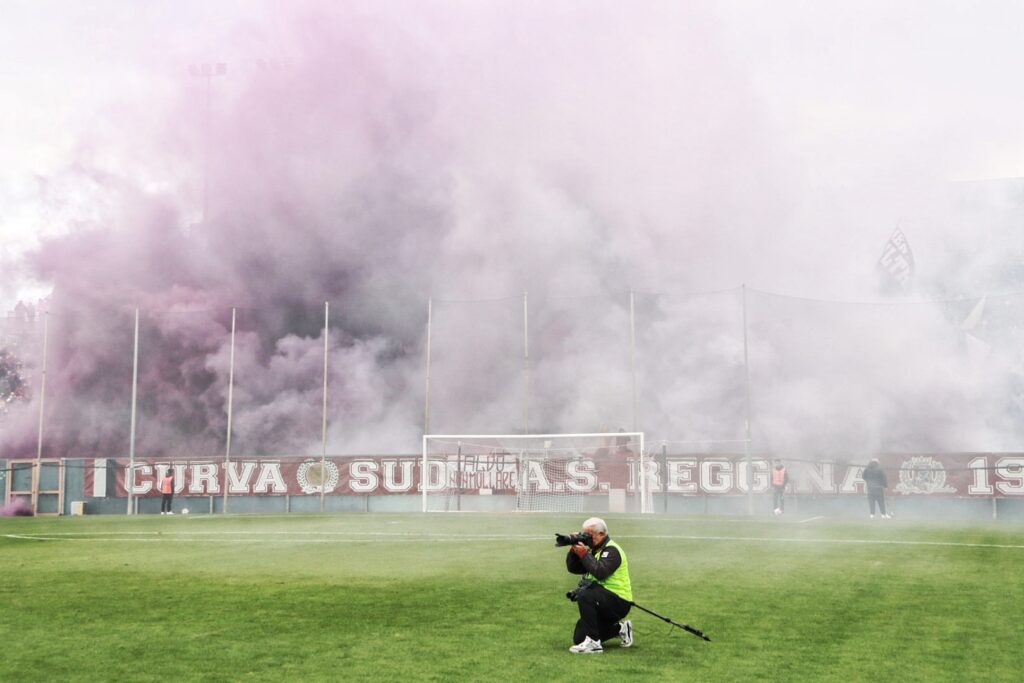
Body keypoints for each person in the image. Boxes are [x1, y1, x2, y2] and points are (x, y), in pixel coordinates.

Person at [564, 517, 633, 654]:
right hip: (601, 601)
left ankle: (594, 644)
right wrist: (574, 551)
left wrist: (584, 553)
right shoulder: (595, 551)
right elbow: (573, 568)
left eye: (589, 535)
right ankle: (621, 629)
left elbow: (600, 572)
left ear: (601, 534)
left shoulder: (612, 550)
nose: (587, 538)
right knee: (579, 638)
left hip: (619, 602)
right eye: (585, 535)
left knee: (585, 594)